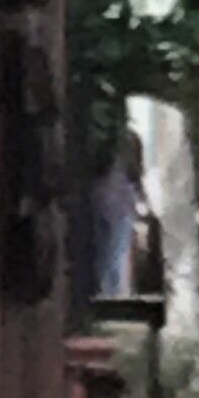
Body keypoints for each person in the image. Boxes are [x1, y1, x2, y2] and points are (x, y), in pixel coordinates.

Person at [86, 128, 148, 298]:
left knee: (109, 253)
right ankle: (114, 293)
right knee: (115, 254)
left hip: (110, 207)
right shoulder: (125, 175)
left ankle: (110, 292)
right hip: (119, 210)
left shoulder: (108, 172)